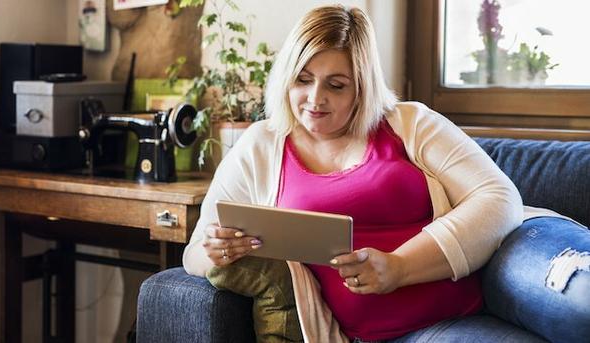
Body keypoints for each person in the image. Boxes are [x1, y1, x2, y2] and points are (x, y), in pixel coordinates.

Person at [182, 5, 588, 343]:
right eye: (302, 80)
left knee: (582, 299)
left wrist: (399, 267)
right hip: (414, 332)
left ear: (362, 87)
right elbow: (196, 251)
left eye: (336, 86)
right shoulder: (260, 146)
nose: (315, 99)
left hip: (501, 265)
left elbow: (499, 199)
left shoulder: (408, 122)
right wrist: (218, 250)